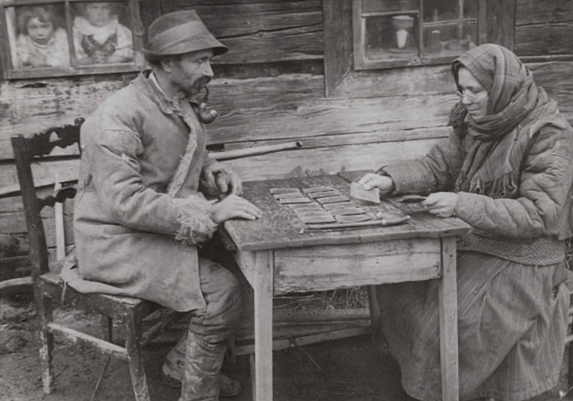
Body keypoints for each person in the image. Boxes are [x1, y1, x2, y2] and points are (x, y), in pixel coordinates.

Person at [360, 43, 573, 401]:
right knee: (401, 288)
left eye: (476, 90)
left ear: (502, 86)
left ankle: (453, 388)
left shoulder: (549, 133)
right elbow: (439, 166)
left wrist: (462, 203)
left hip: (525, 258)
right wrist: (391, 180)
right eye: (462, 89)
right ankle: (434, 384)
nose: (466, 99)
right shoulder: (476, 122)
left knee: (447, 323)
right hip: (479, 242)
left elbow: (536, 214)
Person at [69, 10, 262, 401]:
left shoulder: (176, 101)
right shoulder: (117, 116)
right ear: (168, 62)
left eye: (209, 60)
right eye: (200, 60)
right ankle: (199, 394)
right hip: (114, 242)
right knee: (221, 292)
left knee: (242, 265)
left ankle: (181, 366)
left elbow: (181, 154)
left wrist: (211, 171)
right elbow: (126, 202)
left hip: (153, 230)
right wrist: (209, 213)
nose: (210, 71)